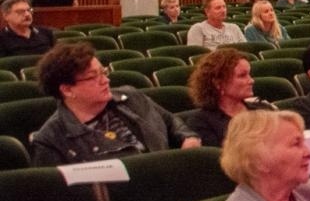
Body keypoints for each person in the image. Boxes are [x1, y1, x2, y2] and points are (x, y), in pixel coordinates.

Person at [30, 42, 201, 165]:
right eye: (93, 77)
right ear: (67, 90)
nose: (106, 80)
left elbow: (170, 121)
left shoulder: (130, 97)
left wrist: (188, 137)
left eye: (103, 72)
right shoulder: (51, 140)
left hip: (166, 177)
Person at [187, 48, 273, 147]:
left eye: (249, 74)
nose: (251, 81)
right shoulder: (201, 123)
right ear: (218, 83)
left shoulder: (264, 109)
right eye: (242, 76)